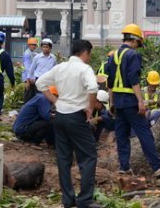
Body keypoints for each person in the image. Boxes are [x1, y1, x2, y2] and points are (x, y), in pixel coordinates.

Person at [35, 39, 100, 208]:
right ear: (85, 53)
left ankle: (68, 199)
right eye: (89, 55)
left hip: (60, 116)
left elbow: (39, 83)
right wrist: (90, 108)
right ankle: (85, 200)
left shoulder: (60, 67)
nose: (89, 58)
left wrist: (56, 101)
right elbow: (93, 88)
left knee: (63, 158)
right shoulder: (84, 69)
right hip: (76, 117)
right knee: (88, 156)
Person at [106, 23, 160, 177]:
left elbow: (109, 82)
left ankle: (124, 167)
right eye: (138, 44)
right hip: (130, 101)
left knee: (122, 135)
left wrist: (112, 103)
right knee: (144, 133)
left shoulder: (113, 56)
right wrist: (140, 101)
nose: (138, 47)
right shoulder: (133, 55)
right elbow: (133, 79)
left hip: (118, 102)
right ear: (135, 40)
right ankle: (157, 166)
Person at [25, 38, 57, 102]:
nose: (45, 49)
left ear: (50, 48)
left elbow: (55, 69)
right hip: (38, 80)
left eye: (47, 47)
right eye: (43, 47)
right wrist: (28, 80)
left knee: (47, 97)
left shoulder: (53, 58)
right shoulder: (37, 57)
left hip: (49, 81)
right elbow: (31, 69)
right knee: (39, 97)